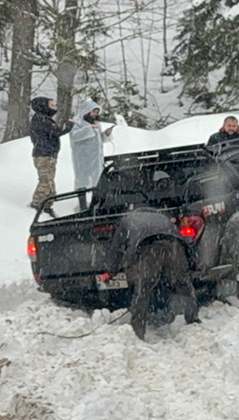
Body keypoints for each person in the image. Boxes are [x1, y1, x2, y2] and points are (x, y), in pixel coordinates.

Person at [108, 208, 199, 340]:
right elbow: (183, 240)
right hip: (174, 245)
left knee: (143, 290)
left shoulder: (126, 220)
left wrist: (112, 271)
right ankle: (193, 319)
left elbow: (117, 248)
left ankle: (137, 332)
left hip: (150, 247)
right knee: (183, 284)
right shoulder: (162, 217)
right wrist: (192, 264)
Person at [29, 96, 73, 217]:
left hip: (48, 154)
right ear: (44, 107)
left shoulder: (44, 119)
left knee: (50, 181)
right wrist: (69, 126)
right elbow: (56, 132)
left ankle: (46, 205)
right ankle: (36, 205)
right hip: (44, 155)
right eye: (52, 105)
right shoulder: (41, 120)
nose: (55, 108)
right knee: (46, 181)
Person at [69, 100, 113, 209]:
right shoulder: (77, 123)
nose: (95, 114)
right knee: (82, 181)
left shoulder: (97, 124)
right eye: (93, 111)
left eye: (97, 112)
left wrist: (106, 134)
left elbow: (99, 139)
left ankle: (94, 204)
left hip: (96, 158)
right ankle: (82, 205)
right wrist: (89, 129)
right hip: (82, 157)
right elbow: (74, 136)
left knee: (97, 181)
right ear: (86, 111)